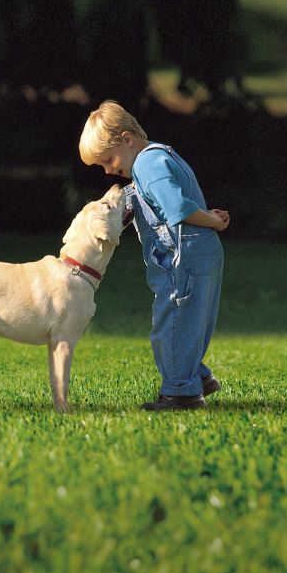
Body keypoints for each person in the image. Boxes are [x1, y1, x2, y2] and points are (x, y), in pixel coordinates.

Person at [79, 101, 229, 410]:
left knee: (172, 322)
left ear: (126, 138)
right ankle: (197, 377)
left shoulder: (146, 164)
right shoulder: (162, 155)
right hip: (199, 252)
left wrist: (212, 221)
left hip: (181, 256)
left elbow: (176, 208)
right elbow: (176, 199)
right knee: (191, 322)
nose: (109, 170)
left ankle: (180, 392)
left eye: (108, 160)